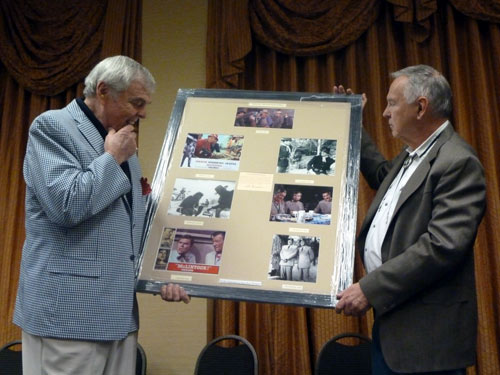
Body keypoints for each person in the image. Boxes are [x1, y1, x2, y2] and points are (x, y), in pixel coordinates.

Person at [13, 55, 190, 375]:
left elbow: (134, 221)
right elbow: (65, 206)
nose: (143, 114)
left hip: (118, 317)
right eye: (137, 103)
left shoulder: (122, 142)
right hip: (66, 318)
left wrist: (164, 272)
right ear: (104, 90)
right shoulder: (52, 127)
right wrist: (112, 157)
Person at [334, 65, 486, 375]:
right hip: (392, 331)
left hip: (426, 344)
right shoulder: (411, 155)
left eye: (392, 103)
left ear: (420, 107)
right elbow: (380, 173)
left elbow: (443, 245)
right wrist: (354, 126)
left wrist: (369, 288)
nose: (385, 113)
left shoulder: (458, 161)